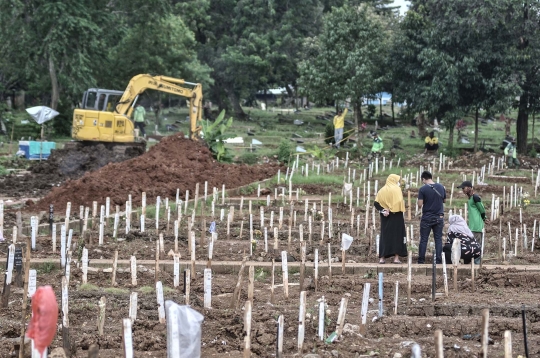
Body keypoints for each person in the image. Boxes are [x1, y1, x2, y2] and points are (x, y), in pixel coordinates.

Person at [374, 174, 408, 264]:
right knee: (397, 236)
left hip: (386, 215)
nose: (398, 182)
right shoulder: (397, 189)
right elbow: (399, 201)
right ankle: (396, 258)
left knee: (385, 236)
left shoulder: (382, 190)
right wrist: (392, 208)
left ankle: (382, 258)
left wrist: (383, 210)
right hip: (397, 216)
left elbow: (376, 203)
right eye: (397, 180)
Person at [417, 171, 446, 264]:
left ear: (423, 179)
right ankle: (438, 261)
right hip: (439, 216)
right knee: (438, 239)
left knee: (424, 239)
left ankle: (421, 261)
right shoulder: (441, 187)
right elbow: (444, 200)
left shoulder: (423, 189)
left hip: (427, 217)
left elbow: (420, 204)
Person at [457, 181, 488, 251]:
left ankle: (477, 262)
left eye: (463, 188)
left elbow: (482, 210)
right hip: (472, 226)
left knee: (476, 246)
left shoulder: (475, 197)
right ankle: (473, 261)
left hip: (476, 226)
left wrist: (484, 218)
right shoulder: (470, 199)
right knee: (472, 246)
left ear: (469, 188)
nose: (462, 190)